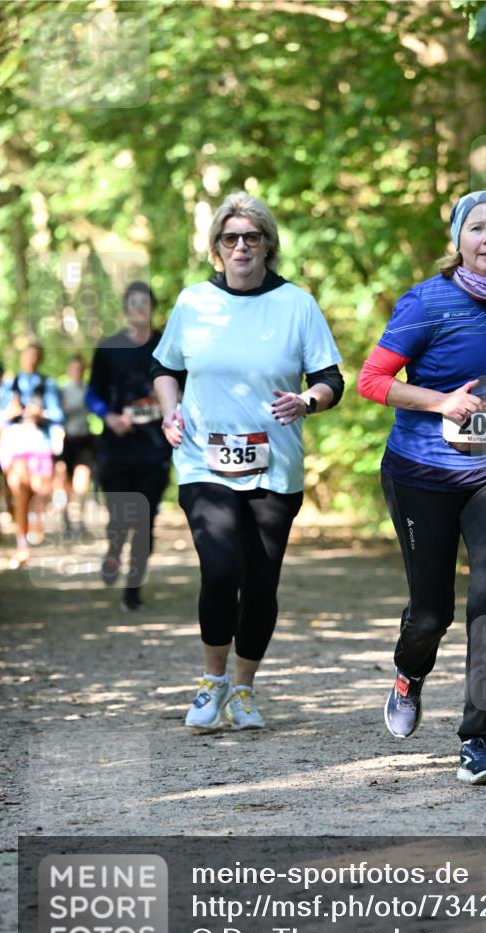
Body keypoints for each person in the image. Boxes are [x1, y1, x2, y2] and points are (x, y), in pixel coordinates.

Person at [358, 190, 486, 785]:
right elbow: (372, 380)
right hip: (421, 472)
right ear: (458, 240)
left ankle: (478, 741)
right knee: (431, 612)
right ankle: (409, 673)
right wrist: (442, 402)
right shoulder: (425, 302)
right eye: (477, 228)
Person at [152, 191, 343, 732]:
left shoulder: (297, 304)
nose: (241, 246)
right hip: (203, 460)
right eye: (230, 238)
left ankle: (243, 688)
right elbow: (165, 368)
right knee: (220, 570)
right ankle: (211, 680)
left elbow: (330, 379)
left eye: (251, 237)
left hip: (275, 465)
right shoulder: (193, 302)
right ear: (217, 247)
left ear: (267, 245)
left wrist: (307, 401)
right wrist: (169, 413)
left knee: (260, 584)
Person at [86, 282, 172, 611]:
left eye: (144, 302)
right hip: (116, 448)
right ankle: (113, 549)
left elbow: (185, 387)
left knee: (145, 519)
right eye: (133, 302)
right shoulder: (109, 348)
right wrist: (108, 417)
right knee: (120, 518)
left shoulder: (167, 345)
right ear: (125, 308)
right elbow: (92, 394)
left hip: (155, 448)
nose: (139, 307)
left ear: (152, 307)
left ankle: (133, 590)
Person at [0, 341, 64, 566]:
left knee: (40, 489)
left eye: (36, 355)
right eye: (28, 354)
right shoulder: (10, 384)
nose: (31, 359)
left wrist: (41, 415)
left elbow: (57, 415)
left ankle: (34, 520)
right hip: (15, 443)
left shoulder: (48, 384)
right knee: (20, 492)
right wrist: (10, 413)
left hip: (39, 442)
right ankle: (22, 545)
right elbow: (1, 416)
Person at [55, 355, 96, 535]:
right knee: (64, 481)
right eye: (74, 369)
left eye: (80, 369)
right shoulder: (61, 391)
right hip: (66, 439)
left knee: (82, 480)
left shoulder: (89, 390)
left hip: (84, 438)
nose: (77, 372)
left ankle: (78, 518)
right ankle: (65, 518)